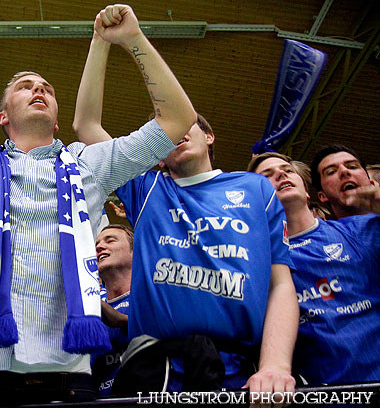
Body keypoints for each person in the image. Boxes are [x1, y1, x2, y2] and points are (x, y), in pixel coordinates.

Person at [0, 0, 197, 403]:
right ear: (3, 116)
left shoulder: (91, 162)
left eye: (47, 89)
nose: (38, 89)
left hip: (67, 370)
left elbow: (178, 119)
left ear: (56, 120)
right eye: (24, 87)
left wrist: (132, 39)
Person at [73, 40, 297, 396]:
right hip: (155, 370)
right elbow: (86, 124)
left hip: (238, 369)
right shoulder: (146, 189)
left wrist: (275, 365)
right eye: (165, 135)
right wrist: (102, 42)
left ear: (208, 136)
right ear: (157, 155)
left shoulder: (255, 188)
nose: (174, 134)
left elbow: (280, 284)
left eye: (183, 127)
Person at [249, 152, 380, 385]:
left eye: (288, 171)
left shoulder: (359, 231)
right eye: (267, 176)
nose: (281, 174)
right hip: (325, 395)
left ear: (307, 191)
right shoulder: (256, 263)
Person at [93, 224, 133, 397]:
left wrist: (122, 321)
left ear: (135, 251)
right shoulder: (87, 306)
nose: (100, 246)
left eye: (110, 241)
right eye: (96, 245)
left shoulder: (154, 295)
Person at [311, 144, 380, 219]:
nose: (344, 171)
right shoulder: (323, 230)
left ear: (372, 184)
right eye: (331, 172)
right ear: (323, 196)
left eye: (352, 167)